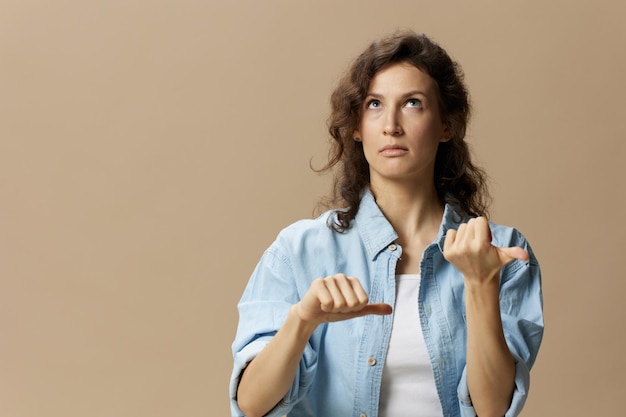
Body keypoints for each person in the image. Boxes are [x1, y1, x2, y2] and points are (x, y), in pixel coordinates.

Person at [229, 31, 543, 417]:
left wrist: (480, 284)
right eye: (374, 104)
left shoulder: (500, 252)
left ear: (447, 125)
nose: (391, 124)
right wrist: (301, 321)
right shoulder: (298, 251)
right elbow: (251, 405)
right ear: (356, 127)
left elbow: (492, 410)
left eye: (413, 103)